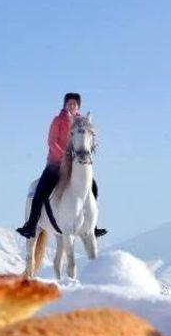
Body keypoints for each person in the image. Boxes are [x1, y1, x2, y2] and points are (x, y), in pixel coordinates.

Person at [16, 93, 107, 239]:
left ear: (78, 106)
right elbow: (52, 142)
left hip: (76, 168)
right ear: (65, 105)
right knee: (41, 190)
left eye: (74, 104)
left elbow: (87, 141)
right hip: (55, 165)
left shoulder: (81, 123)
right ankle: (31, 225)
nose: (72, 106)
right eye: (69, 103)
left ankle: (92, 226)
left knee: (93, 186)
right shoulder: (58, 121)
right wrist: (65, 157)